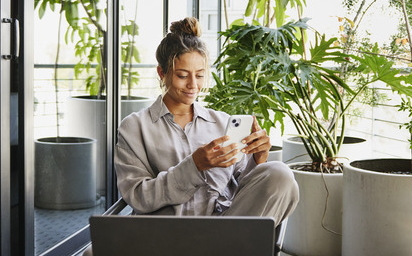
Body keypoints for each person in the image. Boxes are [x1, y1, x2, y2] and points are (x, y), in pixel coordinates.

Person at [114, 16, 299, 222]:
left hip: (223, 231)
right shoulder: (135, 127)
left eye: (200, 75)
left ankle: (224, 248)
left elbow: (245, 191)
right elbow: (137, 196)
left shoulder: (222, 123)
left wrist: (259, 158)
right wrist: (193, 166)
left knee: (280, 173)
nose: (193, 84)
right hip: (167, 233)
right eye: (183, 75)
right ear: (162, 73)